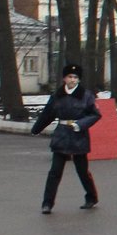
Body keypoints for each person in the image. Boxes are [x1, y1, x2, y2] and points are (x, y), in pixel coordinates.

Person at [30, 63, 101, 214]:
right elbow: (48, 114)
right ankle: (47, 203)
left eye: (75, 77)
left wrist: (80, 124)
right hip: (61, 136)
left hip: (78, 136)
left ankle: (91, 197)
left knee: (82, 171)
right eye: (70, 76)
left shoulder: (86, 96)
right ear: (64, 78)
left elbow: (95, 115)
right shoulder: (57, 96)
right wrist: (36, 129)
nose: (73, 80)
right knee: (54, 172)